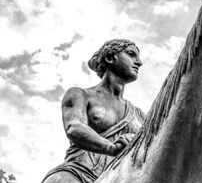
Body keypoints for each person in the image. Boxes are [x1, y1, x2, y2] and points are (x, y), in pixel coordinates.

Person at [42, 39, 146, 183]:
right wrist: (112, 148)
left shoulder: (139, 116)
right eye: (131, 54)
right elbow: (74, 128)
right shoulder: (80, 95)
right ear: (110, 58)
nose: (139, 62)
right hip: (78, 174)